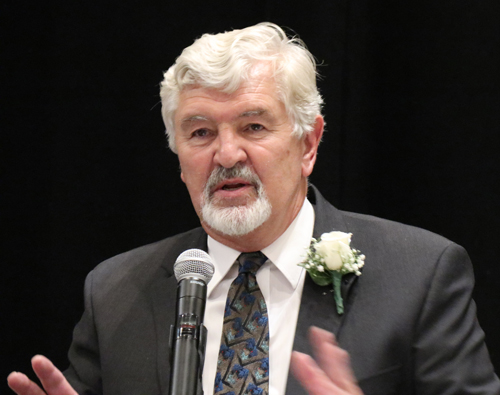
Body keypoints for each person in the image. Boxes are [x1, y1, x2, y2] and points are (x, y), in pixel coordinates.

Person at [7, 22, 500, 395]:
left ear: (309, 143)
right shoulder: (115, 292)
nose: (225, 155)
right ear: (178, 156)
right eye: (200, 132)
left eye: (253, 127)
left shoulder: (420, 273)